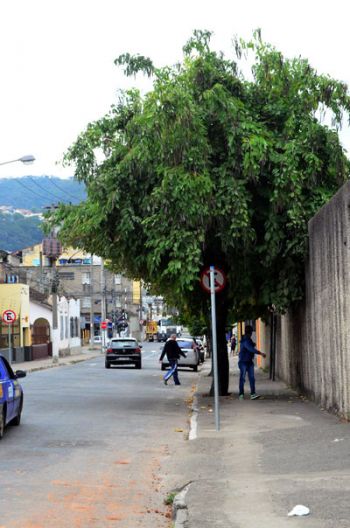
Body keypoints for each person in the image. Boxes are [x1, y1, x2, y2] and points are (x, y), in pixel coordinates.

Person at [238, 325, 266, 400]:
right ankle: (241, 394)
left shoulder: (247, 339)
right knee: (243, 378)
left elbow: (250, 346)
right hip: (243, 362)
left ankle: (252, 394)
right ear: (250, 332)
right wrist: (260, 353)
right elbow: (250, 349)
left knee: (251, 378)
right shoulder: (246, 340)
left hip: (249, 361)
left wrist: (253, 344)